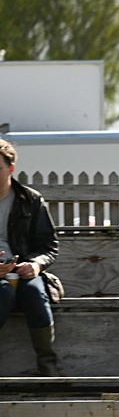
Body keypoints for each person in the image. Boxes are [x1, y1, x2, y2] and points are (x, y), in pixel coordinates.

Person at [0, 139, 61, 376]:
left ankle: (49, 367)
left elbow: (49, 245)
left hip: (23, 271)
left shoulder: (31, 199)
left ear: (11, 168)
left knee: (35, 292)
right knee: (2, 292)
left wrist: (36, 265)